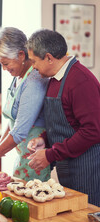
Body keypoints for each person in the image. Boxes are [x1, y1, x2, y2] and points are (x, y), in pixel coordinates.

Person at [26, 29, 100, 206]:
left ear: (49, 58)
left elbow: (93, 131)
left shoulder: (81, 81)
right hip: (67, 165)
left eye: (34, 61)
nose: (33, 67)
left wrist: (51, 154)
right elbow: (67, 122)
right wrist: (45, 140)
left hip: (87, 168)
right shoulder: (55, 78)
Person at [0, 27, 50, 181]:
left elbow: (19, 131)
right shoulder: (18, 77)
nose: (4, 69)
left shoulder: (33, 81)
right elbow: (13, 121)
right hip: (22, 156)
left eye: (5, 63)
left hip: (35, 158)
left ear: (21, 55)